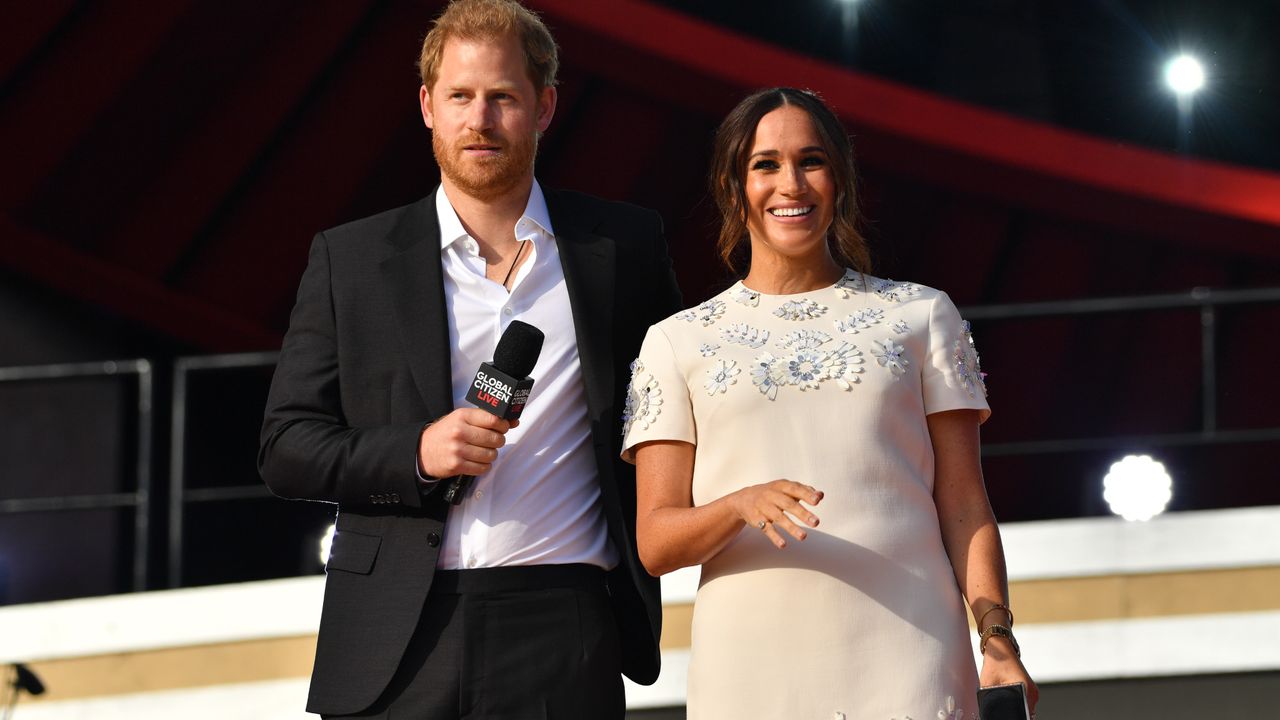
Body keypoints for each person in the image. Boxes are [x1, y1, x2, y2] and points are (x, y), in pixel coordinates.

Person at [258, 1, 681, 717]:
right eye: (459, 95)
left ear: (544, 107)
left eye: (502, 97)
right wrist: (417, 452)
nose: (478, 120)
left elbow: (690, 403)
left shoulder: (623, 249)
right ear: (427, 105)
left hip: (567, 620)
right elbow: (285, 446)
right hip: (398, 633)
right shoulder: (351, 260)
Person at [622, 87, 1037, 720]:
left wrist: (996, 636)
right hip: (751, 665)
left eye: (811, 161)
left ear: (839, 180)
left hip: (912, 651)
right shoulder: (677, 342)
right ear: (734, 187)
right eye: (765, 164)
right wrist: (738, 505)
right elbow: (655, 542)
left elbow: (963, 501)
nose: (791, 183)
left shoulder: (921, 314)